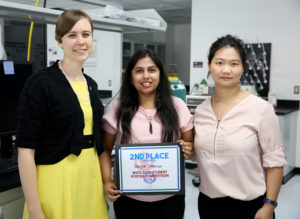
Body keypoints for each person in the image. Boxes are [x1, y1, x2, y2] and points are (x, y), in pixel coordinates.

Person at [16, 9, 108, 219]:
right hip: (55, 182)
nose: (80, 41)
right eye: (72, 35)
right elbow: (25, 151)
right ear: (59, 41)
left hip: (89, 180)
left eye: (86, 34)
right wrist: (34, 209)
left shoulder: (91, 86)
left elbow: (99, 143)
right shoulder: (39, 84)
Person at [193, 34, 286, 219]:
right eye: (219, 62)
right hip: (208, 203)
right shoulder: (201, 111)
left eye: (234, 64)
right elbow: (199, 153)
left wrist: (269, 206)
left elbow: (275, 163)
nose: (226, 70)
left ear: (243, 68)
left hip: (250, 206)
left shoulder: (261, 109)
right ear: (209, 65)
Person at [100, 49, 194, 219]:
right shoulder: (117, 108)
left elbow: (189, 146)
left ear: (160, 74)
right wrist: (107, 181)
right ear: (130, 77)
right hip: (129, 199)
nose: (146, 76)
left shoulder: (177, 105)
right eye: (139, 71)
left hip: (170, 199)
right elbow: (105, 149)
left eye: (151, 70)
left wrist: (187, 148)